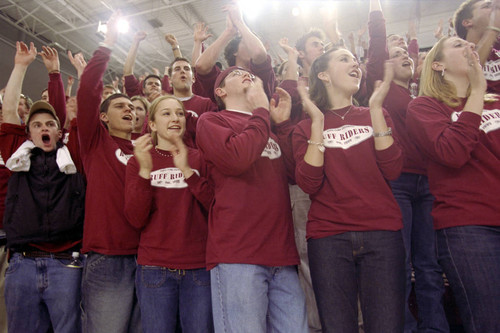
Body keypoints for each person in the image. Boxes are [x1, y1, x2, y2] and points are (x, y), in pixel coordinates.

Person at [293, 47, 405, 332]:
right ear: (324, 75)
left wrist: (377, 110)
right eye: (344, 59)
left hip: (382, 233)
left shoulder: (375, 114)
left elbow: (392, 169)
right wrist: (318, 122)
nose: (355, 63)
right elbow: (309, 183)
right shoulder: (304, 128)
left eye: (356, 60)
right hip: (329, 238)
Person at [196, 66, 307, 332]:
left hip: (282, 254)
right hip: (238, 254)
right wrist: (261, 114)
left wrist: (281, 125)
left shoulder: (266, 126)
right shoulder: (212, 121)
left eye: (250, 73)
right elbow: (237, 159)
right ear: (220, 91)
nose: (246, 74)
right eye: (235, 74)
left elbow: (297, 176)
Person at [407, 36, 500, 333]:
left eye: (470, 44)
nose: (470, 47)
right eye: (459, 45)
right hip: (469, 225)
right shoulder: (424, 107)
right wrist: (478, 91)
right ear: (438, 65)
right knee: (489, 323)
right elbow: (452, 153)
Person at [367, 1, 449, 332]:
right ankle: (403, 327)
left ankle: (435, 327)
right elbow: (377, 44)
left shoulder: (423, 93)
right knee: (399, 263)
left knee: (429, 265)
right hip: (398, 181)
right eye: (397, 51)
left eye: (410, 54)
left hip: (429, 183)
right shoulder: (379, 84)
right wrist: (376, 9)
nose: (406, 56)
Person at [1, 41, 85, 333]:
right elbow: (10, 109)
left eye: (50, 123)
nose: (43, 128)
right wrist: (21, 66)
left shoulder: (72, 154)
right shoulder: (17, 154)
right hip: (22, 264)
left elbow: (76, 117)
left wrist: (61, 76)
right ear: (28, 132)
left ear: (58, 131)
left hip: (66, 265)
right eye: (36, 125)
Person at [125, 96, 214, 333]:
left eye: (179, 113)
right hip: (155, 268)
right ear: (152, 124)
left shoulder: (200, 158)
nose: (175, 118)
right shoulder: (139, 161)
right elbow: (135, 218)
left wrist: (187, 170)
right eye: (166, 113)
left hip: (198, 268)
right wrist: (145, 171)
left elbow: (214, 206)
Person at [77, 12, 141, 333]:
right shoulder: (94, 142)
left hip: (147, 259)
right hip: (107, 258)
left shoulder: (146, 148)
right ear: (102, 117)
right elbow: (88, 89)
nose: (128, 108)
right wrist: (110, 43)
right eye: (119, 106)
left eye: (131, 106)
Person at [453, 0, 500, 94]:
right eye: (487, 6)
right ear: (467, 22)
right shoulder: (455, 53)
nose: (495, 10)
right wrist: (493, 29)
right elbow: (468, 78)